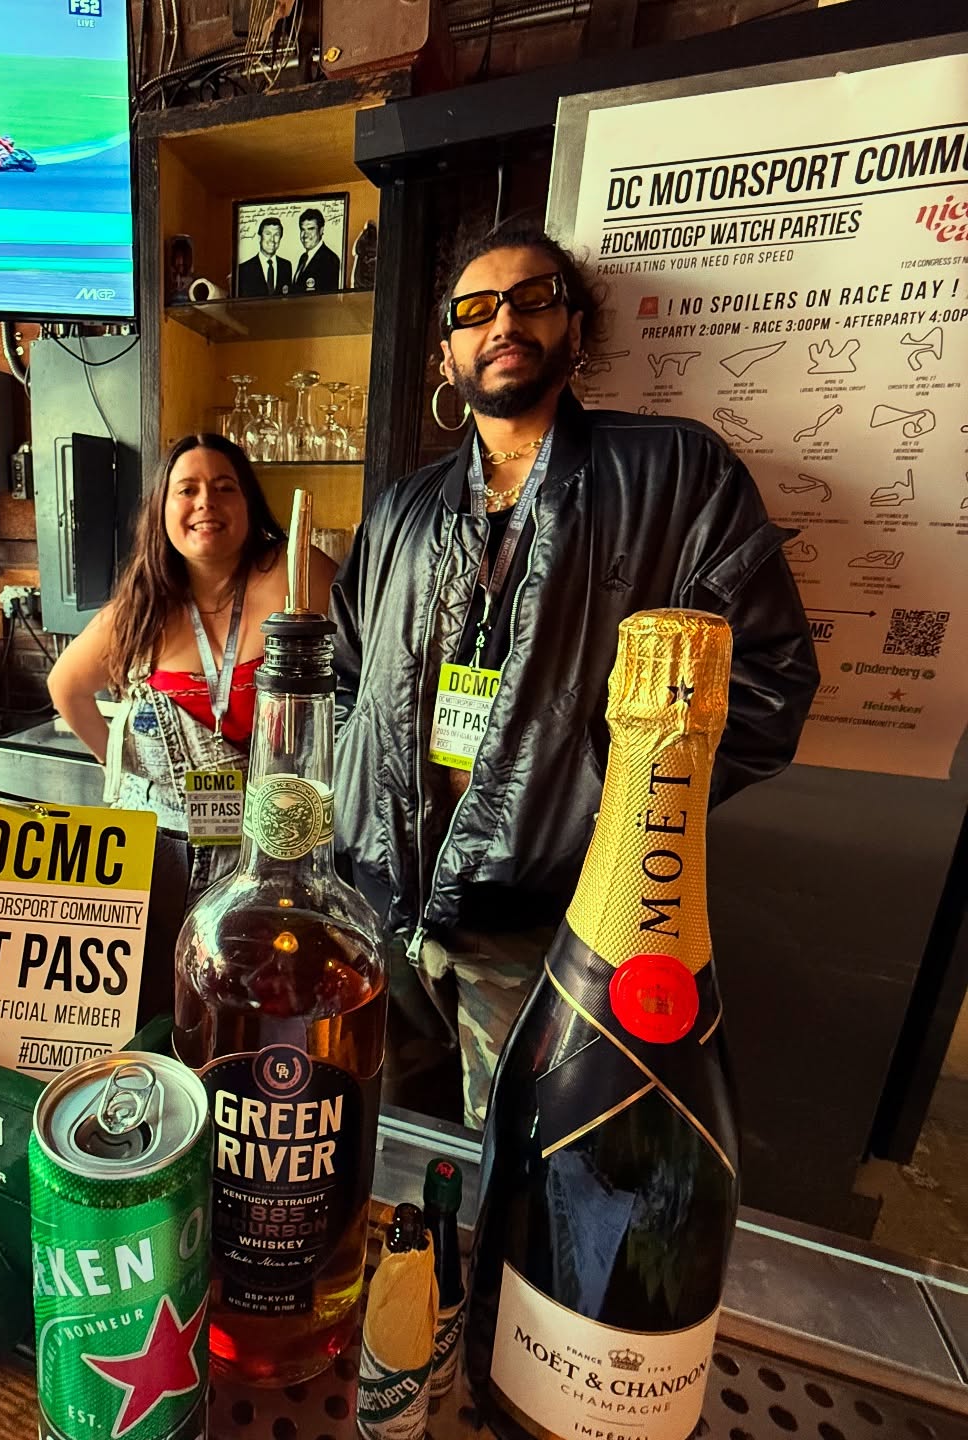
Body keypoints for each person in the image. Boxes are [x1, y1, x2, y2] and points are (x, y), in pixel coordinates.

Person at [331, 220, 818, 1126]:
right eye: (475, 309)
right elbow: (347, 679)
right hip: (382, 910)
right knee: (386, 1155)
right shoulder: (402, 507)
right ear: (447, 355)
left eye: (534, 298)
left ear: (577, 332)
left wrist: (609, 800)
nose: (504, 320)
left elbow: (765, 681)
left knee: (529, 1177)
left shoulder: (676, 470)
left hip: (552, 927)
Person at [48, 433, 338, 1009]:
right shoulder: (143, 603)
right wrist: (128, 771)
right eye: (188, 489)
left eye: (225, 487)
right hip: (167, 856)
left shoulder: (295, 573)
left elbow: (357, 672)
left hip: (272, 860)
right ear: (163, 511)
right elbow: (66, 686)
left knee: (256, 1004)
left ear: (249, 504)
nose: (207, 502)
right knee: (166, 1000)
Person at [236, 217, 291, 297]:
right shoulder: (244, 269)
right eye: (268, 234)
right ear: (259, 238)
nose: (272, 239)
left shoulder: (286, 266)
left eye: (276, 235)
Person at [291, 209, 341, 294]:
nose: (305, 235)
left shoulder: (330, 259)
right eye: (303, 230)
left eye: (310, 229)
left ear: (321, 231)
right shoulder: (303, 258)